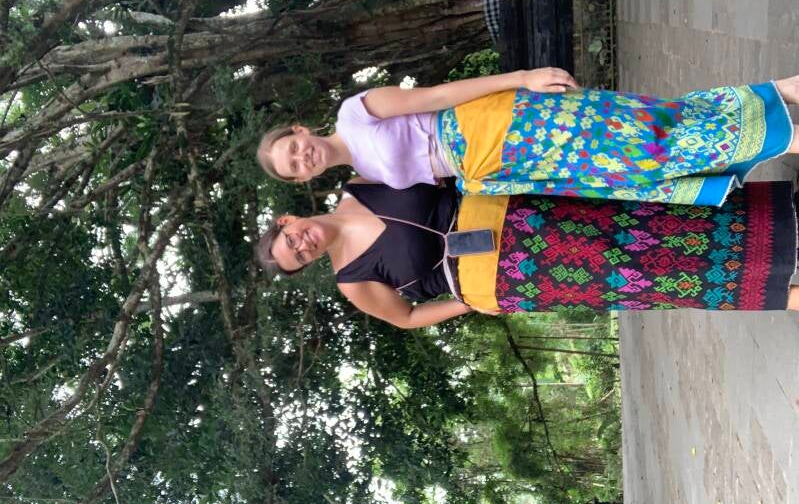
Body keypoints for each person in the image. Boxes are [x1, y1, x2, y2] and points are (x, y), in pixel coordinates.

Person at [255, 178, 799, 329]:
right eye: (298, 257)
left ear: (288, 220)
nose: (303, 245)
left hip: (517, 208)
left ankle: (775, 220)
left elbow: (431, 167)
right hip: (516, 274)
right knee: (633, 273)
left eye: (292, 239)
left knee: (638, 219)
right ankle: (783, 292)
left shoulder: (359, 184)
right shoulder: (353, 280)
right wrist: (470, 301)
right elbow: (407, 317)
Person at [257, 69, 799, 206]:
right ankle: (780, 93)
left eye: (293, 147)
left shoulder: (356, 113)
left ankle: (782, 134)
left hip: (501, 124)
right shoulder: (365, 176)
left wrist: (523, 78)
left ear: (300, 131)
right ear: (302, 179)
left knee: (644, 139)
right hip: (508, 166)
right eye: (294, 166)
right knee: (638, 156)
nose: (302, 157)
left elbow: (439, 94)